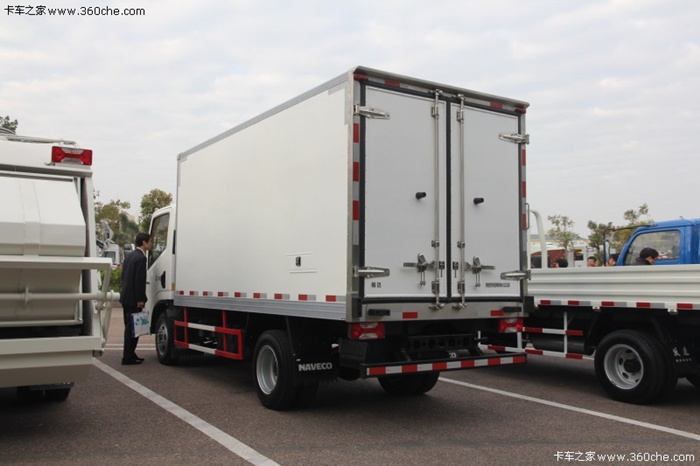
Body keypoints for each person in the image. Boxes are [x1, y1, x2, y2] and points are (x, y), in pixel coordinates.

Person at [120, 232, 152, 365]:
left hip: (125, 297)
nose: (151, 244)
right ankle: (128, 357)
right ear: (144, 242)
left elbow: (124, 275)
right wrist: (141, 299)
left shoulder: (130, 256)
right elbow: (139, 280)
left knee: (128, 326)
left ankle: (130, 353)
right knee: (134, 328)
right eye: (150, 241)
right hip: (134, 299)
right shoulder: (141, 258)